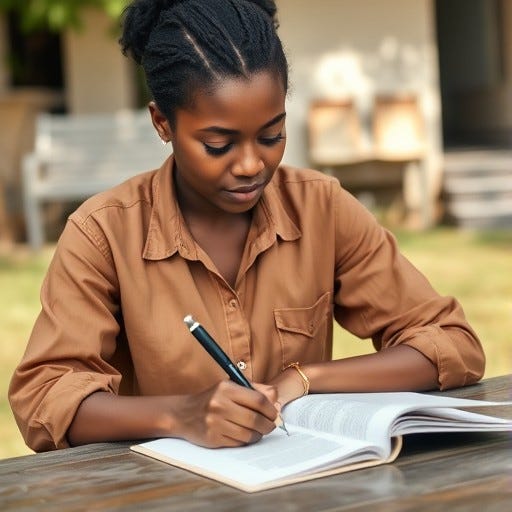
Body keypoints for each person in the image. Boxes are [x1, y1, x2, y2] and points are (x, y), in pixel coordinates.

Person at [9, 0, 485, 453]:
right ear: (162, 123)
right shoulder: (104, 234)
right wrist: (179, 416)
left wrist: (304, 379)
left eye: (272, 135)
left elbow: (450, 344)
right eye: (219, 144)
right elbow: (45, 398)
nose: (252, 165)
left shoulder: (322, 208)